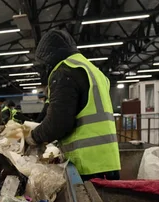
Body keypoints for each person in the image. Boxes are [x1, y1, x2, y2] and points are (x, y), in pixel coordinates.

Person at [25, 29, 120, 180]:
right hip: (108, 161)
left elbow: (59, 122)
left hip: (89, 164)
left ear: (49, 58)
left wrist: (32, 137)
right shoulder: (91, 70)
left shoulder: (64, 72)